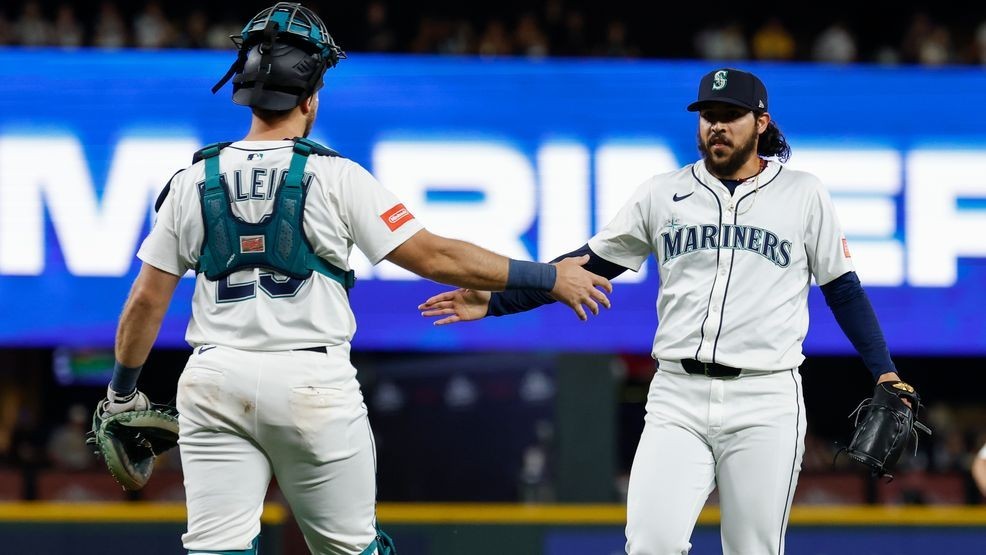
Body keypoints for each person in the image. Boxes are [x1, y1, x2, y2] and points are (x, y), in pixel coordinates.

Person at [96, 3, 611, 554]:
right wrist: (547, 276)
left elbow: (146, 302)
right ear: (311, 96)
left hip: (215, 379)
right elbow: (434, 256)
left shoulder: (191, 181)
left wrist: (122, 392)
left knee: (216, 551)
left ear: (242, 88)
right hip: (311, 381)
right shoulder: (336, 176)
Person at [419, 67, 909, 554]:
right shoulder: (662, 193)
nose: (716, 125)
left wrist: (883, 371)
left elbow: (842, 290)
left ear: (761, 122)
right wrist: (496, 300)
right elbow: (586, 266)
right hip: (678, 395)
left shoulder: (803, 193)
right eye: (708, 115)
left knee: (753, 549)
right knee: (650, 545)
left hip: (766, 397)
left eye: (730, 115)